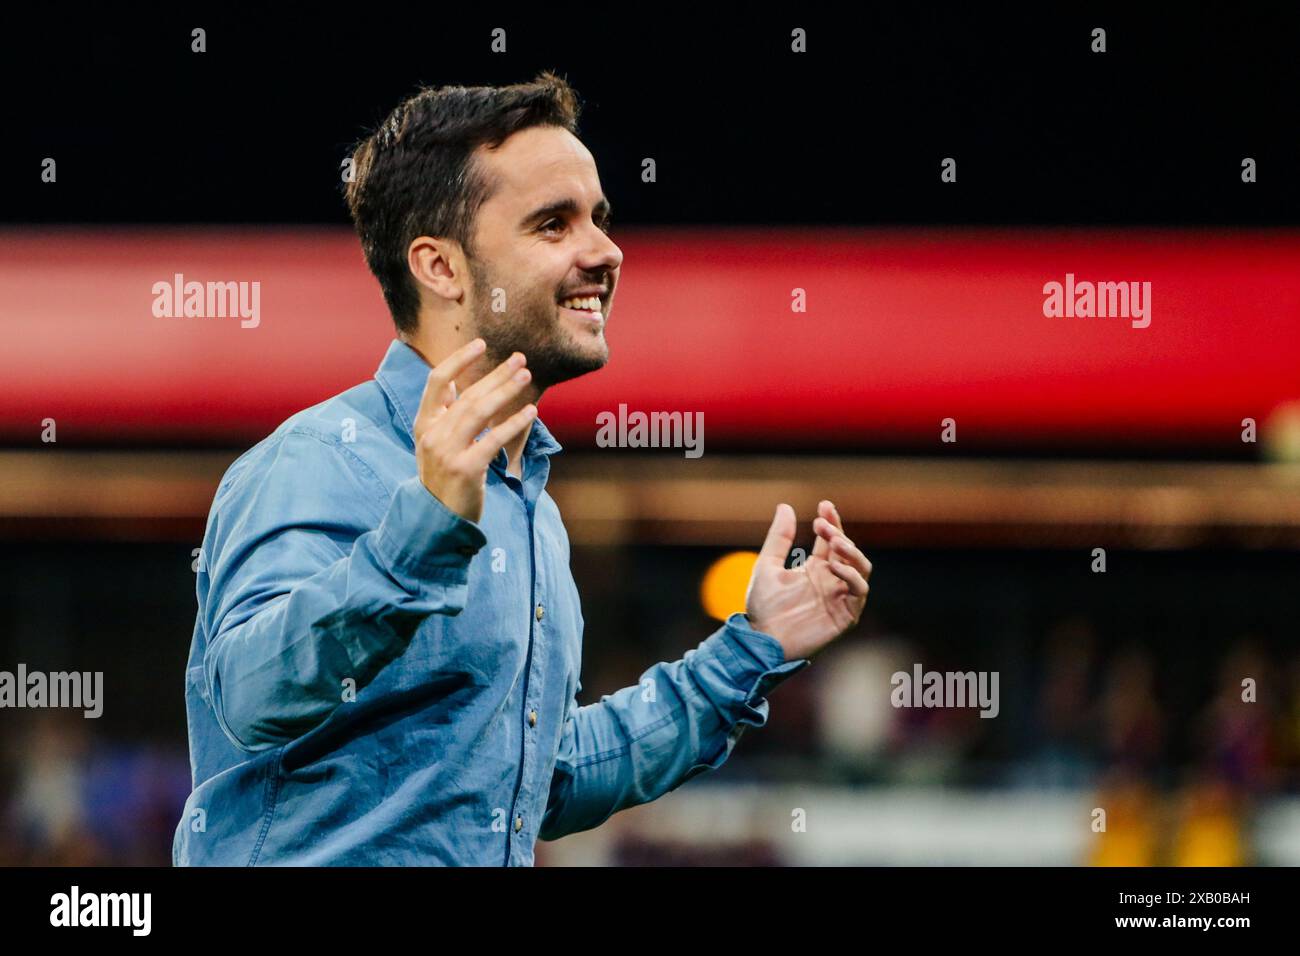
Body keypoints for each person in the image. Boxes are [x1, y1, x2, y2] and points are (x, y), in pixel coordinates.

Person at [173, 72, 872, 865]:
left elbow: (547, 777)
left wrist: (752, 650)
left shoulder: (528, 504)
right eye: (553, 225)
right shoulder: (316, 461)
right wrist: (423, 533)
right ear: (440, 268)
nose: (605, 251)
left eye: (600, 219)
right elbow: (251, 694)